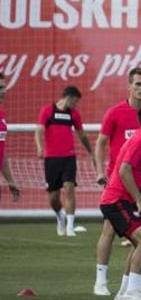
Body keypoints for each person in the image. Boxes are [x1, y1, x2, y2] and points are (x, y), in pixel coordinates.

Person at [93, 67, 141, 297]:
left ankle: (135, 282)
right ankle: (101, 281)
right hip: (119, 180)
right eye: (138, 84)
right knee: (110, 230)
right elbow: (100, 143)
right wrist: (99, 171)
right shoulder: (116, 112)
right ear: (129, 86)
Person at [35, 85, 93, 236]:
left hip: (69, 158)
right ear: (68, 97)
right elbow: (39, 131)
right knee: (54, 197)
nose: (76, 105)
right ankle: (60, 217)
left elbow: (82, 135)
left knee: (69, 188)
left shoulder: (74, 115)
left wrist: (91, 152)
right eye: (75, 101)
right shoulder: (47, 111)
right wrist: (40, 148)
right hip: (51, 159)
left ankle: (70, 227)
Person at [0, 73, 21, 204]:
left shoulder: (2, 116)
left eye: (3, 87)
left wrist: (10, 181)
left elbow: (1, 153)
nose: (3, 91)